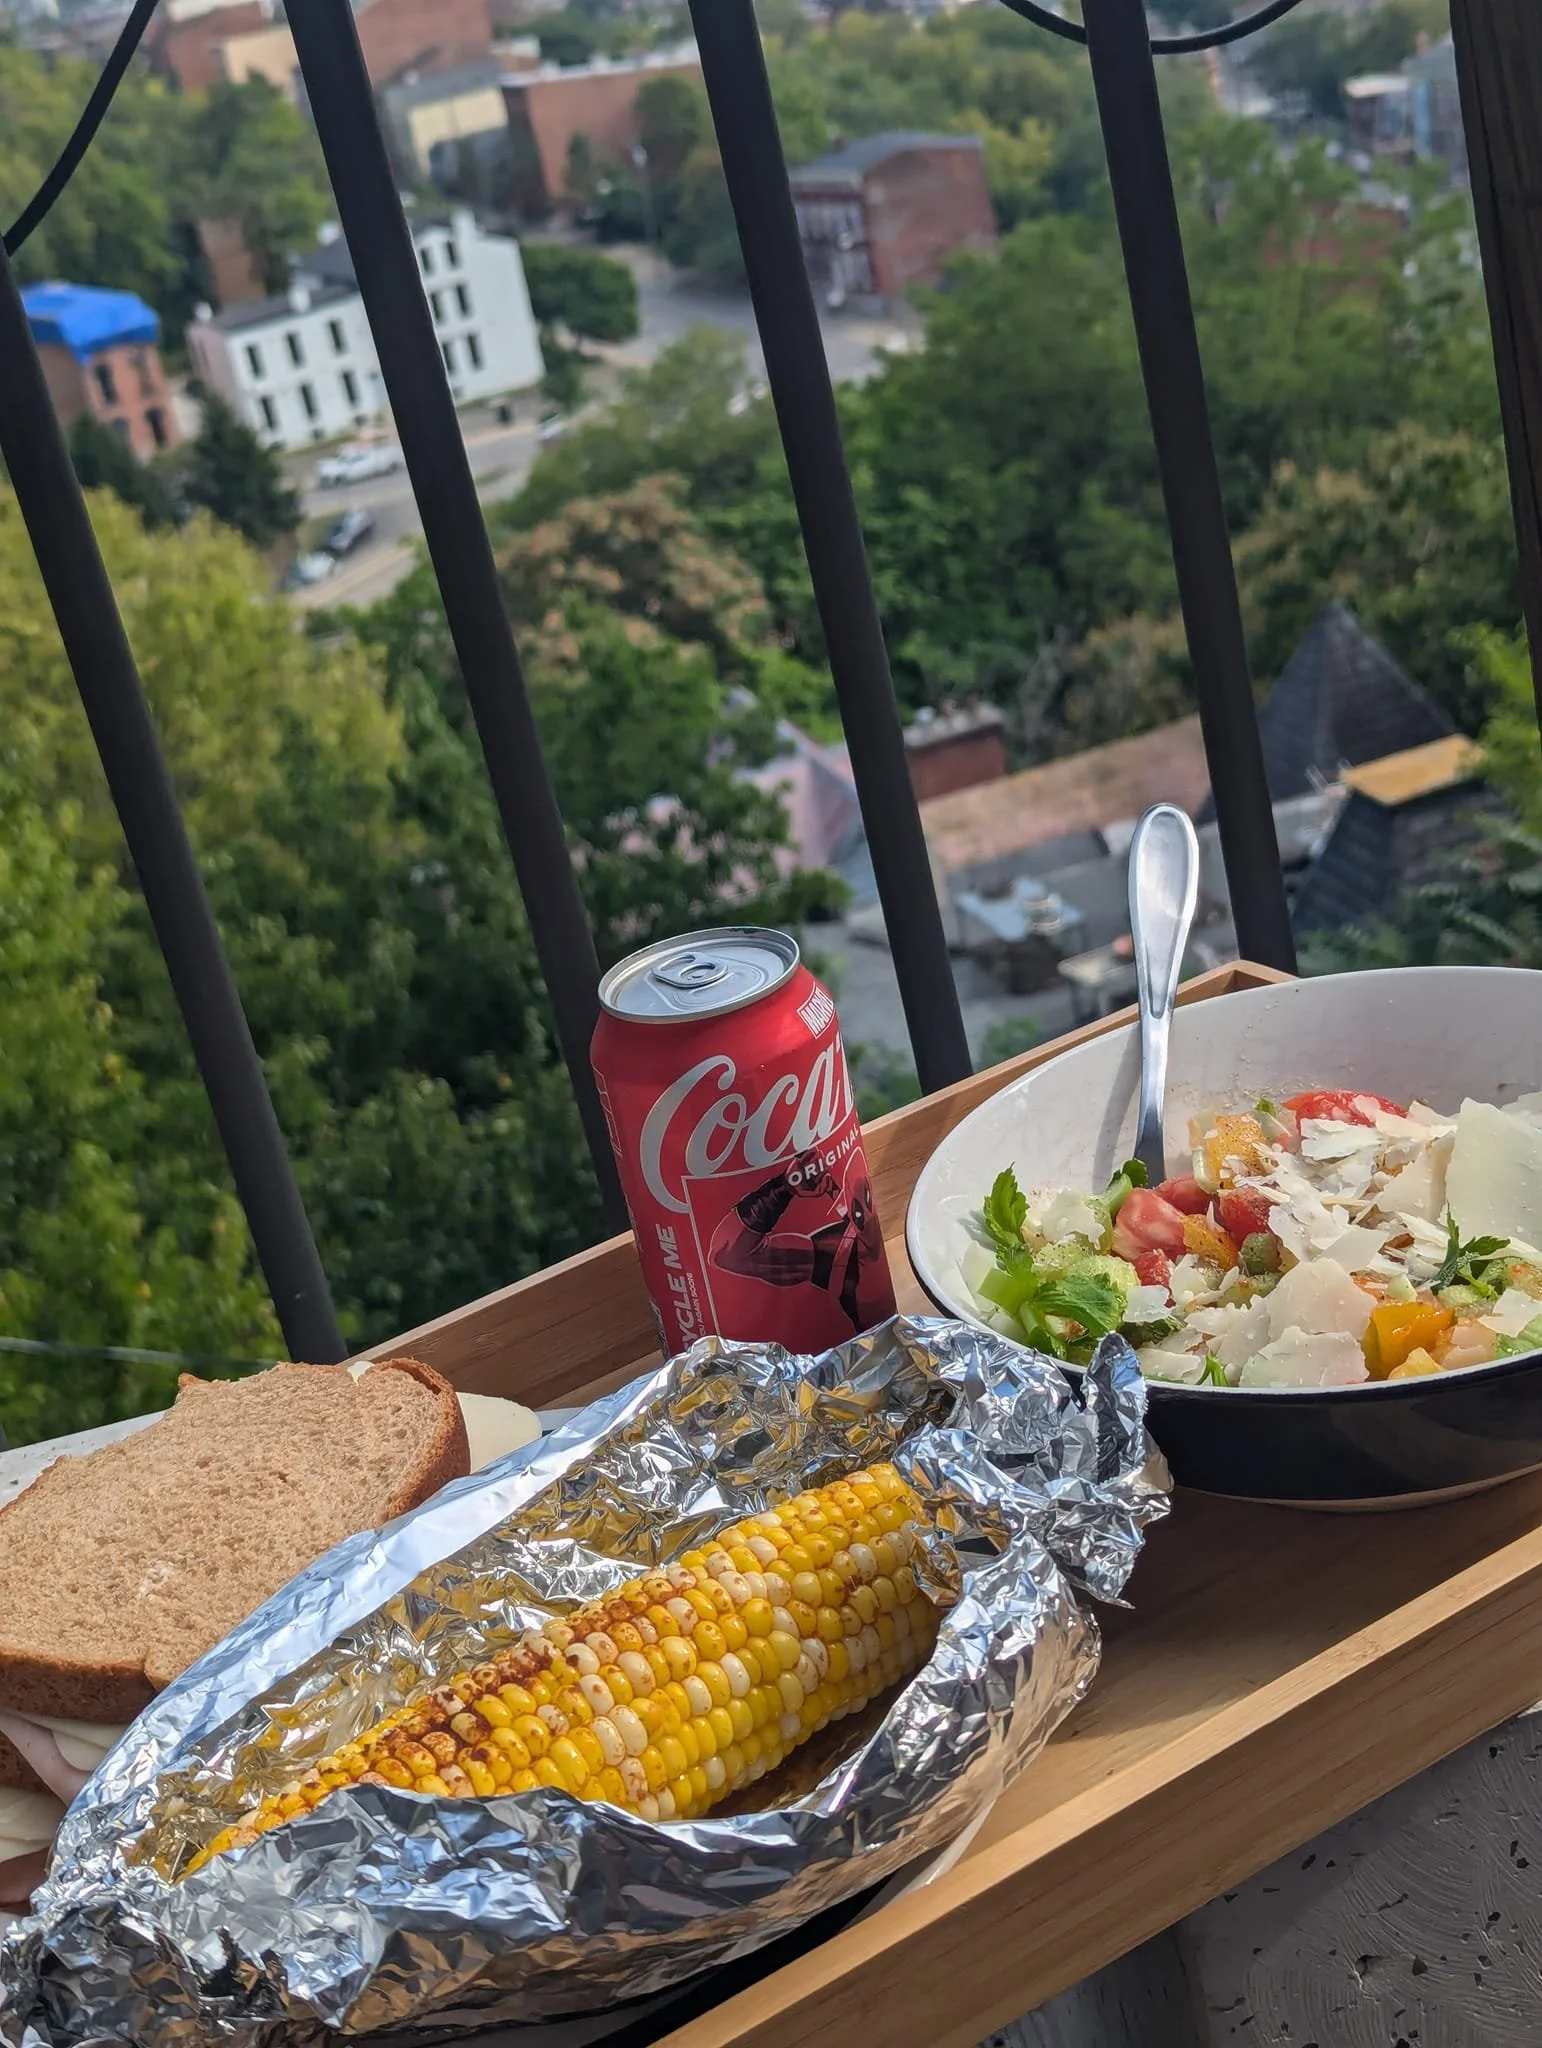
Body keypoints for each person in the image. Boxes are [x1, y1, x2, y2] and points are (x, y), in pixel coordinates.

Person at [709, 1150, 886, 1332]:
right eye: (858, 1209)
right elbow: (726, 1253)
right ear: (852, 1209)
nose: (866, 1217)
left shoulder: (839, 1249)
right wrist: (782, 1189)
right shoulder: (834, 1253)